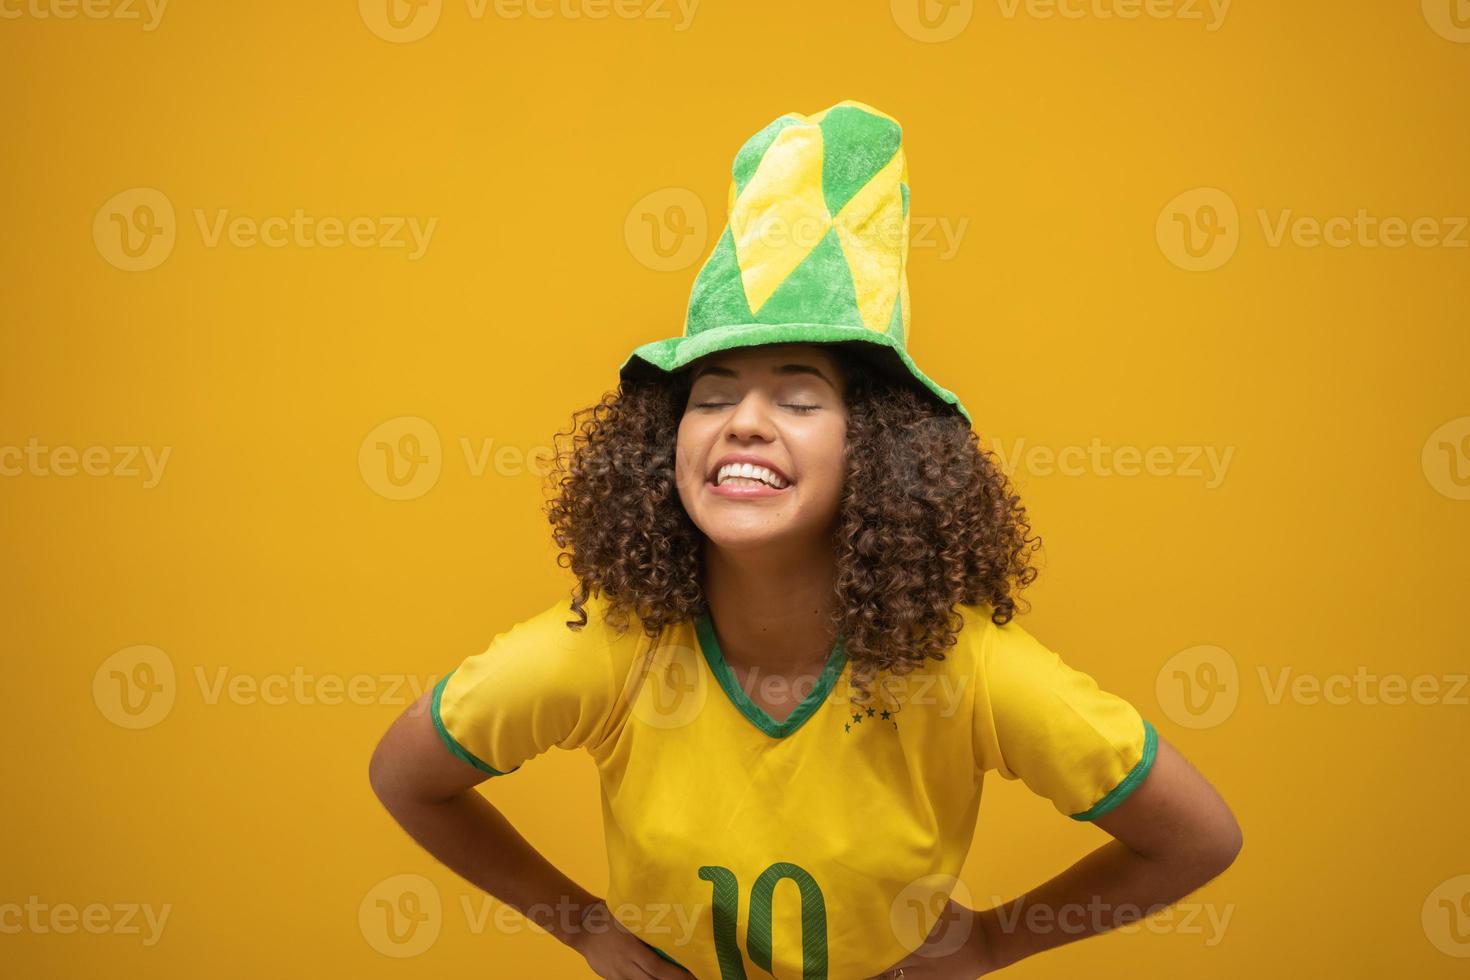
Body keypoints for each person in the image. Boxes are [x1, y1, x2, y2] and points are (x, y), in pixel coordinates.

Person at [369, 100, 1242, 979]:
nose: (743, 422)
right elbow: (408, 776)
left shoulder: (967, 669)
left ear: (879, 451)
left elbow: (1195, 838)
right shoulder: (609, 650)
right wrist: (580, 924)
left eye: (796, 398)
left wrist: (993, 943)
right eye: (710, 397)